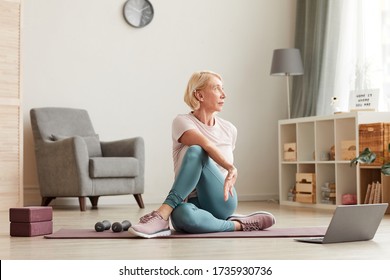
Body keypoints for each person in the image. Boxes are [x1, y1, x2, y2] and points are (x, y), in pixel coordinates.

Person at [128, 70, 275, 238]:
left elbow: (213, 167)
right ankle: (238, 225)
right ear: (199, 95)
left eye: (223, 89)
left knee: (198, 151)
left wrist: (228, 169)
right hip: (190, 202)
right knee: (182, 216)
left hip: (221, 199)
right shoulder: (182, 122)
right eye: (217, 89)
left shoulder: (229, 130)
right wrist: (231, 167)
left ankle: (162, 214)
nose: (224, 95)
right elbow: (205, 144)